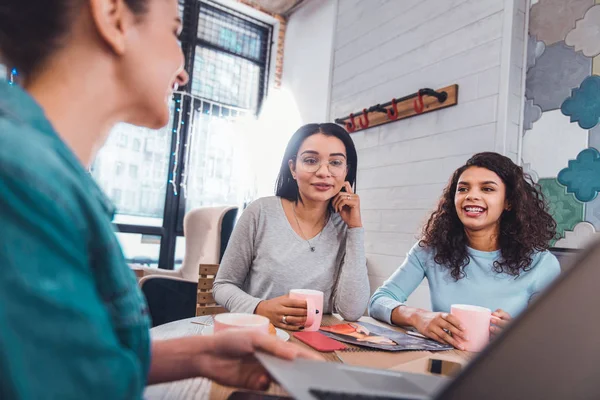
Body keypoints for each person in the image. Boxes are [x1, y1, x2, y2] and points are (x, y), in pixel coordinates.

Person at [0, 0, 319, 398]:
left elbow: (63, 357)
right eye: (173, 31)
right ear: (113, 16)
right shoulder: (21, 184)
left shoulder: (42, 176)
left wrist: (201, 354)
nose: (183, 72)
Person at [368, 152, 560, 350]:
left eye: (487, 189)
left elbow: (554, 335)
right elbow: (378, 301)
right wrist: (418, 317)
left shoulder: (542, 264)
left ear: (508, 202)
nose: (472, 196)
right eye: (463, 189)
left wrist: (519, 333)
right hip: (444, 365)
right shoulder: (430, 250)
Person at [213, 123, 370, 330]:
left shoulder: (345, 226)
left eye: (335, 162)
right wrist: (260, 308)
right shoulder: (260, 212)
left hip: (316, 345)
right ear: (293, 168)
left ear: (346, 171)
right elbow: (222, 286)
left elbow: (351, 311)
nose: (324, 172)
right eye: (311, 160)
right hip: (259, 336)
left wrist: (355, 229)